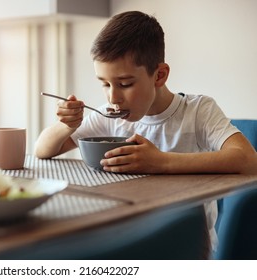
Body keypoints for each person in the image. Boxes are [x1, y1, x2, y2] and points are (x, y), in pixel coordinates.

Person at [34, 11, 257, 251]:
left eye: (125, 84)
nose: (113, 97)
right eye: (105, 83)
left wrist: (160, 162)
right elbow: (43, 151)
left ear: (159, 75)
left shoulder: (197, 111)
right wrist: (66, 125)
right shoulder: (108, 117)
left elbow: (249, 160)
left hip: (188, 248)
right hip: (126, 239)